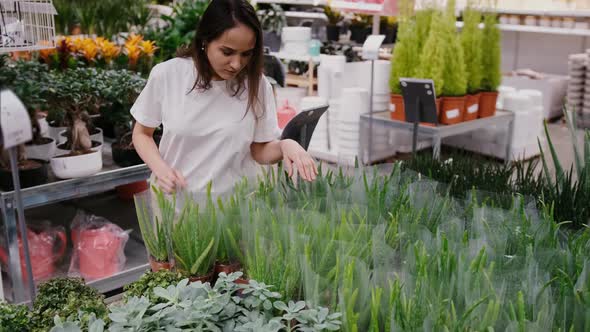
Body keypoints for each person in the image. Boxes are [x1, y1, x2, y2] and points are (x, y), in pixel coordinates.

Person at [131, 0, 317, 195]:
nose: (237, 64)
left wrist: (285, 145)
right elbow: (142, 133)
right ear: (205, 40)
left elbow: (259, 149)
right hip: (176, 203)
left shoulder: (257, 85)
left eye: (246, 54)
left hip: (235, 209)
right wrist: (161, 170)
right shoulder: (168, 74)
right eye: (227, 52)